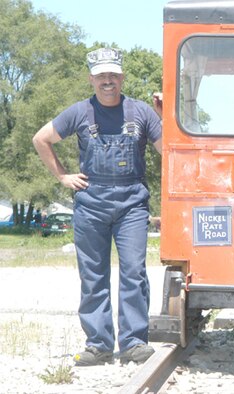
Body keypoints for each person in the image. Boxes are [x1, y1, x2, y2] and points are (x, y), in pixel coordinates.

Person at [32, 48, 163, 366]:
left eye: (113, 75)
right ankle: (99, 345)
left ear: (122, 77)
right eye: (101, 75)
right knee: (93, 275)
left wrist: (163, 115)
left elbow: (169, 151)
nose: (108, 81)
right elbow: (41, 138)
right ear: (91, 78)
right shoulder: (78, 112)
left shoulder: (142, 113)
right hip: (91, 206)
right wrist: (63, 176)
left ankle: (133, 343)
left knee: (134, 272)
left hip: (132, 205)